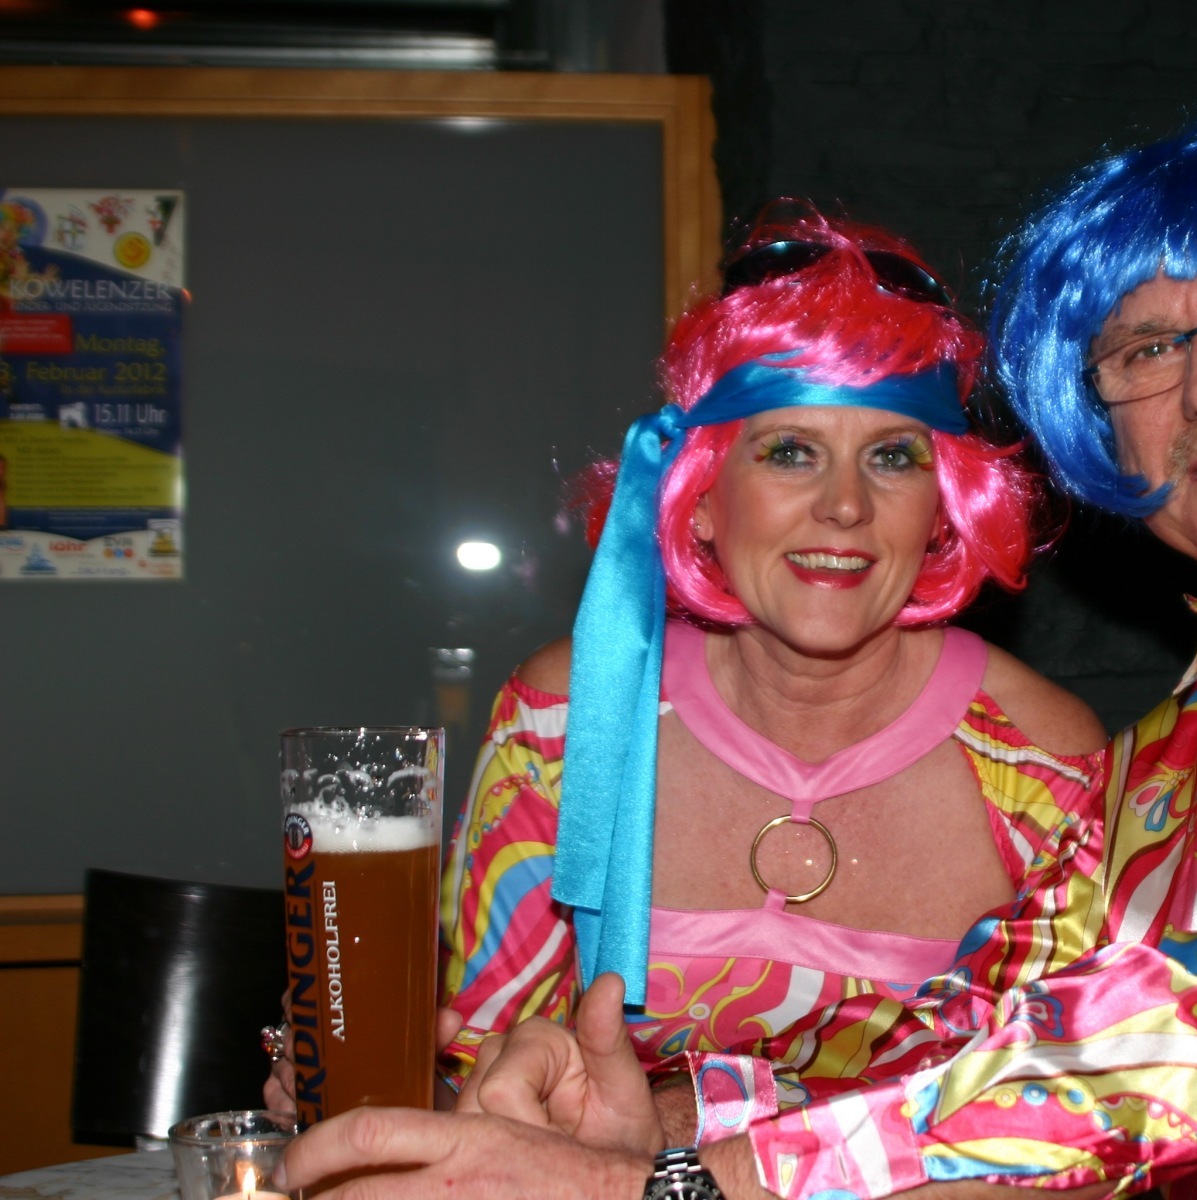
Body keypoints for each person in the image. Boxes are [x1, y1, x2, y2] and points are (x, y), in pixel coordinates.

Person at [280, 105, 1197, 1200]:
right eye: (1144, 351)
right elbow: (975, 1035)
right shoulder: (1181, 748)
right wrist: (664, 1119)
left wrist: (682, 1192)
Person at [264, 208, 1105, 1112]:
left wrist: (690, 1122)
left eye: (892, 458)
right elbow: (485, 1075)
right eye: (791, 452)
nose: (846, 506)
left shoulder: (1040, 760)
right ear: (701, 496)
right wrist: (375, 1086)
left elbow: (1072, 1113)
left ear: (943, 509)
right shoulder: (571, 719)